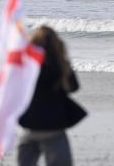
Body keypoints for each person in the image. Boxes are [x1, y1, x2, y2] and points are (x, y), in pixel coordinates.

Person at [18, 26, 87, 166]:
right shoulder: (59, 67)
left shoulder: (26, 66)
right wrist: (64, 59)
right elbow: (74, 87)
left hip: (29, 126)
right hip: (53, 128)